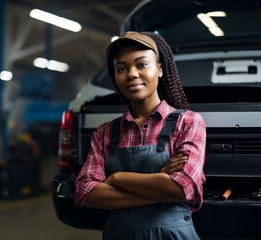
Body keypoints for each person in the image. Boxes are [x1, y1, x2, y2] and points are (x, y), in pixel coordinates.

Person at [74, 31, 206, 240]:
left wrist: (117, 177)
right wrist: (159, 187)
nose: (131, 74)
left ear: (160, 69)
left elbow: (183, 188)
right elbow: (85, 192)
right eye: (121, 68)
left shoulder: (187, 122)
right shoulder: (104, 133)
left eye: (141, 64)